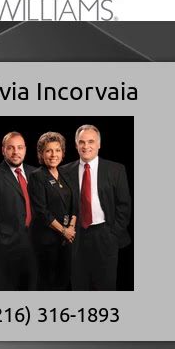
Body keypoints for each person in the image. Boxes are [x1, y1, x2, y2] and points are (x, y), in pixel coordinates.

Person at [61, 124, 132, 290]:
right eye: (82, 142)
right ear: (76, 145)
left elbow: (124, 205)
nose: (86, 146)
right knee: (79, 285)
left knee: (105, 286)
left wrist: (113, 234)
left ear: (99, 144)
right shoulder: (64, 172)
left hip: (105, 234)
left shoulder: (116, 170)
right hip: (76, 236)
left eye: (91, 141)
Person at [0, 132, 39, 290]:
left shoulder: (36, 173)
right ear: (3, 150)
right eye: (10, 148)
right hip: (7, 249)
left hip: (36, 247)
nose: (15, 152)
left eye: (20, 147)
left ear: (25, 150)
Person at [28, 132, 77, 290]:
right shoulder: (37, 176)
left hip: (66, 239)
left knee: (64, 281)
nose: (53, 154)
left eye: (57, 150)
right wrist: (64, 231)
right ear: (41, 154)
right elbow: (41, 212)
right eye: (48, 150)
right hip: (46, 239)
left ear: (62, 153)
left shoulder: (65, 174)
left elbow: (74, 203)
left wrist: (71, 228)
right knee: (47, 283)